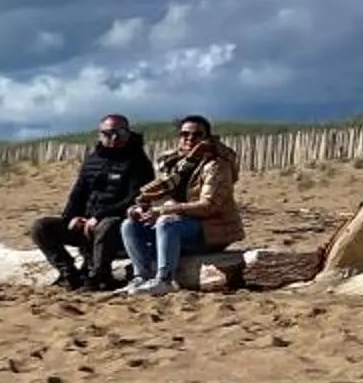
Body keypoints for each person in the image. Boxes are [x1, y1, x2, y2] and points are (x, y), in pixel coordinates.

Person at [120, 115, 242, 295]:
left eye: (197, 135)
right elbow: (157, 193)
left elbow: (208, 206)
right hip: (180, 224)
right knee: (130, 225)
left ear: (206, 137)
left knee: (166, 223)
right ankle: (142, 277)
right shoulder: (173, 163)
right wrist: (141, 209)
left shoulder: (216, 165)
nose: (190, 139)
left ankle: (164, 280)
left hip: (212, 230)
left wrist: (162, 211)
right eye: (185, 134)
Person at [29, 114, 150, 289]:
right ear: (100, 135)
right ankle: (68, 273)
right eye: (109, 133)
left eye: (120, 132)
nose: (114, 138)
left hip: (118, 225)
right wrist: (72, 217)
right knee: (40, 227)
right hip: (86, 223)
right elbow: (79, 192)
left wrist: (99, 216)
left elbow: (134, 198)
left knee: (108, 225)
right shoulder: (93, 160)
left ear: (128, 133)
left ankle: (99, 276)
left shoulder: (138, 162)